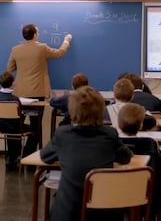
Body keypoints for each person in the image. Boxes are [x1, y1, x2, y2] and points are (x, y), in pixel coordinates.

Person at [40, 86, 132, 221]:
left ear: (72, 110)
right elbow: (126, 157)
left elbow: (45, 157)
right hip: (104, 211)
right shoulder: (109, 134)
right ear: (101, 110)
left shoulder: (63, 134)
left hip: (69, 211)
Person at [7, 23, 72, 155]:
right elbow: (59, 53)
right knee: (36, 126)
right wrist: (66, 41)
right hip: (37, 93)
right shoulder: (42, 48)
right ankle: (27, 154)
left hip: (19, 94)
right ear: (35, 34)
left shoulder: (15, 49)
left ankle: (13, 156)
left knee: (15, 125)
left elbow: (10, 69)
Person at [117, 103, 161, 221]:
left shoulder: (113, 143)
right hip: (146, 197)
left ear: (118, 125)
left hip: (116, 197)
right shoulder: (150, 143)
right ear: (141, 125)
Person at [0, 70, 31, 170]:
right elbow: (20, 114)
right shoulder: (15, 99)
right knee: (34, 130)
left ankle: (11, 158)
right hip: (16, 127)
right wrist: (28, 112)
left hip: (0, 127)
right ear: (12, 84)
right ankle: (24, 154)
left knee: (11, 130)